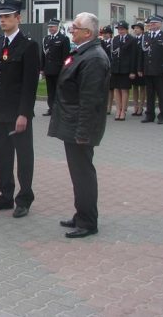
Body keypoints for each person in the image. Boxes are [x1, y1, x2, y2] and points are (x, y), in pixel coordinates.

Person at [48, 12, 109, 238]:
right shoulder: (83, 52)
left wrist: (83, 133)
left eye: (75, 27)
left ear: (88, 32)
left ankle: (88, 222)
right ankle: (81, 213)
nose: (71, 30)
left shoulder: (93, 58)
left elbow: (90, 100)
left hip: (80, 127)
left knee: (83, 174)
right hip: (72, 123)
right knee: (78, 174)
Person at [0, 0, 40, 218]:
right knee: (3, 156)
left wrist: (24, 113)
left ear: (18, 18)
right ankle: (5, 195)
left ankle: (24, 198)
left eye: (7, 16)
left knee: (24, 157)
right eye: (1, 17)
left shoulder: (28, 46)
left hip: (17, 113)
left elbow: (30, 84)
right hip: (0, 111)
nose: (3, 20)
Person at [138, 15, 163, 124]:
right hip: (148, 70)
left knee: (162, 94)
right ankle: (149, 115)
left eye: (154, 23)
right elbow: (142, 54)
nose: (152, 25)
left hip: (160, 70)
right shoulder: (146, 36)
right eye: (151, 23)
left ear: (160, 24)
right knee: (150, 94)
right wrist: (140, 68)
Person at [40, 19, 69, 116]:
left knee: (59, 90)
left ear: (57, 27)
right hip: (48, 69)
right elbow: (43, 55)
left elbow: (66, 56)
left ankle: (59, 109)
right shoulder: (46, 39)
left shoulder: (63, 39)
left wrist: (65, 69)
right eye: (49, 27)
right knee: (50, 90)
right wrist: (42, 68)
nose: (50, 29)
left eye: (52, 27)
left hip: (58, 70)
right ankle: (51, 108)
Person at [109, 21, 136, 121]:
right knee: (116, 89)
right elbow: (112, 55)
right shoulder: (115, 39)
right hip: (116, 68)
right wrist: (111, 69)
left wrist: (132, 71)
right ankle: (118, 110)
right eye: (119, 29)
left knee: (124, 90)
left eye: (122, 29)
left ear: (126, 30)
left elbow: (133, 56)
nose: (120, 31)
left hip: (126, 68)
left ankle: (123, 111)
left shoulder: (131, 40)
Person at [130, 23, 146, 116]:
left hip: (142, 66)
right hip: (134, 66)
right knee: (135, 87)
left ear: (142, 30)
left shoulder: (144, 39)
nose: (135, 30)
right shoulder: (133, 40)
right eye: (134, 28)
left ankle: (141, 106)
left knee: (142, 87)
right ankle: (135, 106)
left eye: (137, 28)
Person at [100, 26, 114, 115]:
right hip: (101, 67)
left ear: (110, 34)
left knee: (110, 89)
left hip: (109, 67)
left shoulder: (113, 43)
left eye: (106, 33)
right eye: (103, 33)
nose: (104, 35)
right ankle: (102, 106)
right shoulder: (100, 43)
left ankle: (109, 106)